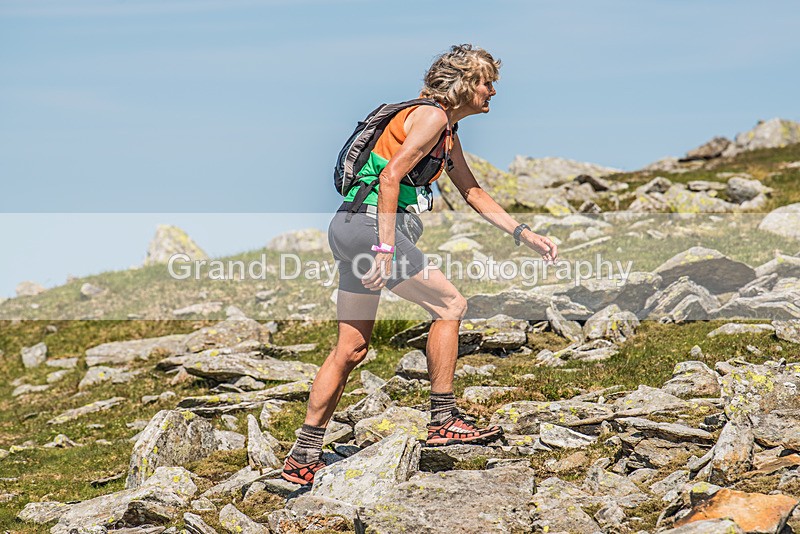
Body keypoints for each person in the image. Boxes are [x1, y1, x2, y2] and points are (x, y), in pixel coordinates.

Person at [281, 44, 559, 485]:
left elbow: (472, 191)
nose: (492, 91)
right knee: (450, 306)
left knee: (351, 349)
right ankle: (444, 419)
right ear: (465, 84)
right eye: (487, 82)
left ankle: (303, 454)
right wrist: (387, 250)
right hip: (373, 229)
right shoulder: (430, 117)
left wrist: (524, 234)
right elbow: (391, 176)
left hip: (350, 225)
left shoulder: (446, 132)